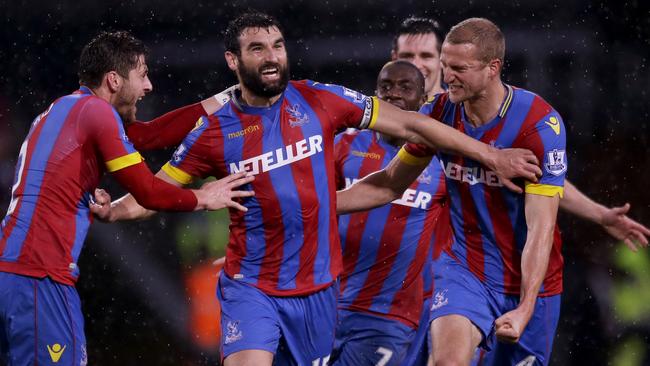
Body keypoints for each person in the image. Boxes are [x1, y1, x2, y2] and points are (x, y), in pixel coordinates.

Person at [93, 12, 542, 366]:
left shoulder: (320, 100)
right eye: (256, 49)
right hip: (253, 288)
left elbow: (411, 124)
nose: (271, 56)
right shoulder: (213, 132)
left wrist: (492, 156)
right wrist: (112, 210)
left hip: (319, 295)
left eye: (277, 45)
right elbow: (153, 193)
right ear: (233, 61)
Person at [337, 18, 650, 366]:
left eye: (459, 68)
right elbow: (388, 183)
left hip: (533, 281)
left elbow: (541, 227)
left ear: (492, 68)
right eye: (444, 66)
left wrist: (525, 308)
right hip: (464, 270)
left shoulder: (538, 124)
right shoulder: (440, 114)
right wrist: (321, 204)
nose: (446, 76)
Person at [0, 31, 252, 366]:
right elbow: (147, 190)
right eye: (143, 74)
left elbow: (151, 134)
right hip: (39, 275)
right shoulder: (96, 113)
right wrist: (203, 197)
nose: (149, 86)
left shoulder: (66, 110)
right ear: (114, 79)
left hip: (11, 271)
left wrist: (229, 97)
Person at [330, 60, 450, 366]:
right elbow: (311, 206)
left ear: (424, 100)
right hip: (324, 304)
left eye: (405, 87)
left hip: (388, 316)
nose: (393, 94)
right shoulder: (344, 145)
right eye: (385, 86)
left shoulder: (443, 163)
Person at [391, 17, 445, 101]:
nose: (416, 65)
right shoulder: (377, 111)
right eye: (407, 56)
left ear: (443, 60)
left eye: (426, 56)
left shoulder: (464, 111)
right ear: (394, 59)